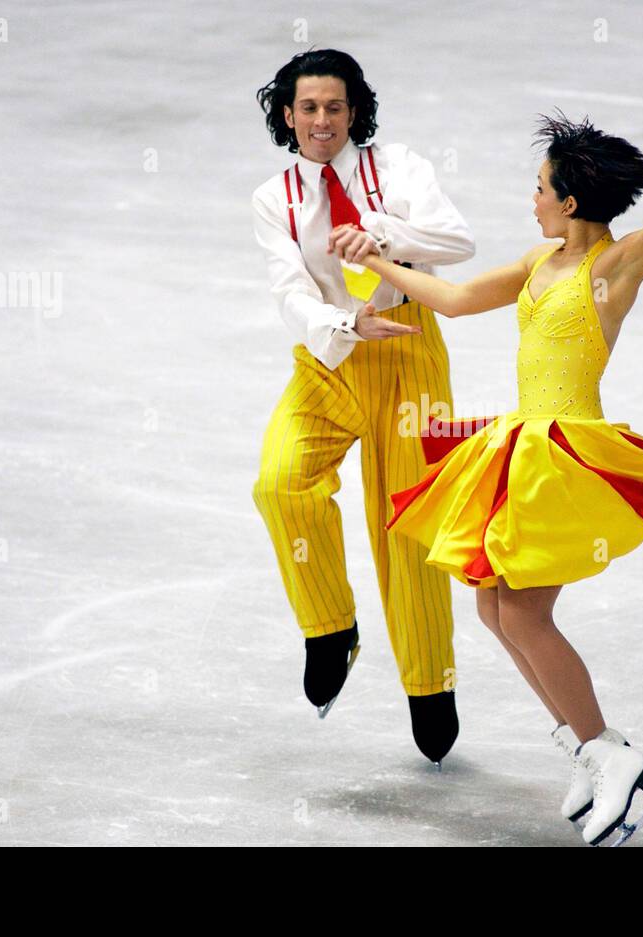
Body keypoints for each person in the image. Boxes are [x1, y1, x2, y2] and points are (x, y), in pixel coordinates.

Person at [342, 46, 643, 841]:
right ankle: (587, 748)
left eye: (540, 188)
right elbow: (462, 297)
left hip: (568, 455)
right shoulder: (541, 260)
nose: (530, 198)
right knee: (495, 606)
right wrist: (383, 260)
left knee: (525, 613)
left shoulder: (613, 269)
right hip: (521, 446)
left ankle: (613, 755)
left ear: (569, 200)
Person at [250, 49, 476, 765]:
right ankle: (329, 626)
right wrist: (345, 326)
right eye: (308, 108)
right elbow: (290, 293)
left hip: (407, 352)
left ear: (355, 112)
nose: (322, 120)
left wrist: (382, 233)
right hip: (329, 356)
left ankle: (429, 685)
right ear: (287, 115)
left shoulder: (400, 168)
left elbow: (458, 241)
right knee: (280, 482)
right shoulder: (276, 198)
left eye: (335, 107)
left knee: (407, 525)